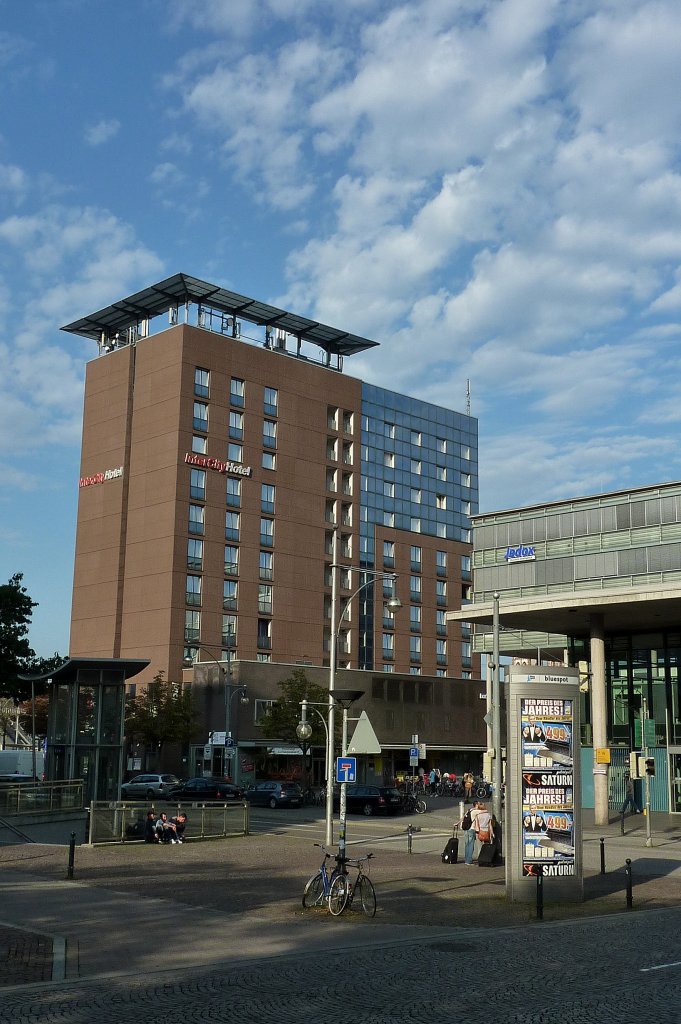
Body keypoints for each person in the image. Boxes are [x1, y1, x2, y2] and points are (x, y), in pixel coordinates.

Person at [460, 801, 480, 865]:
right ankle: (469, 860)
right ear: (476, 805)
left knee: (466, 845)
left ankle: (466, 859)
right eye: (479, 804)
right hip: (472, 829)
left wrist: (457, 823)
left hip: (466, 829)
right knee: (471, 845)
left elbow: (462, 818)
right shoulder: (476, 811)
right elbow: (485, 811)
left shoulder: (469, 810)